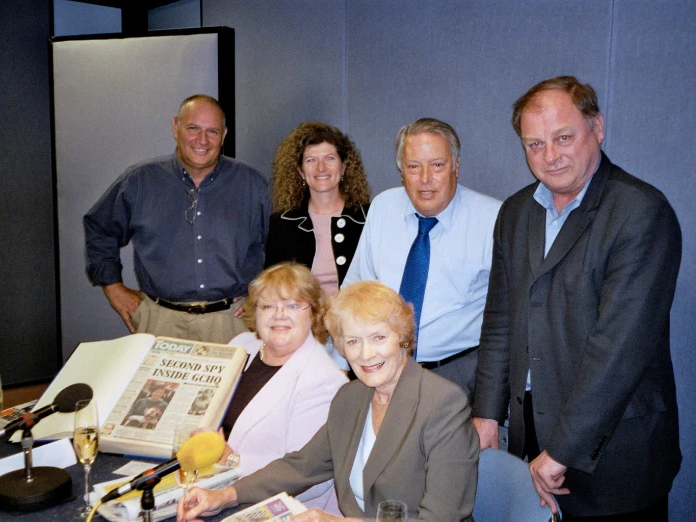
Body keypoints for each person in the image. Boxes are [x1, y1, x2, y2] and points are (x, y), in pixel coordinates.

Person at [472, 76, 682, 521]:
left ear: (598, 128)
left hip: (613, 462)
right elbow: (500, 320)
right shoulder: (515, 212)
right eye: (534, 144)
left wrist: (561, 450)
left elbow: (618, 352)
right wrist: (487, 414)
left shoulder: (640, 212)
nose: (550, 155)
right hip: (529, 442)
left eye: (563, 137)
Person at [177, 280, 479, 522]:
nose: (365, 355)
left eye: (378, 338)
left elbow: (442, 517)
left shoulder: (443, 403)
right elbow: (302, 466)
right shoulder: (351, 396)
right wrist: (226, 495)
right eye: (352, 342)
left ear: (402, 337)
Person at [84, 94, 270, 344]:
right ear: (176, 127)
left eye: (212, 131)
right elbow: (99, 229)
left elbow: (277, 245)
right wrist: (112, 287)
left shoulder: (252, 184)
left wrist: (263, 292)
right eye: (193, 128)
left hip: (232, 323)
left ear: (224, 135)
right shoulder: (140, 181)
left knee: (237, 385)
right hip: (160, 321)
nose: (202, 140)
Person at [343, 118, 501, 402]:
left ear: (456, 166)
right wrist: (341, 366)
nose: (425, 178)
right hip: (379, 370)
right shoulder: (383, 207)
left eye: (437, 165)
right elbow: (354, 290)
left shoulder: (493, 220)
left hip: (456, 376)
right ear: (401, 170)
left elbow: (509, 320)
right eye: (414, 167)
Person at [220, 263, 348, 513]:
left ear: (313, 314)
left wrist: (228, 461)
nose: (279, 314)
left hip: (277, 508)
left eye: (292, 305)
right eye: (267, 306)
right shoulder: (239, 346)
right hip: (212, 487)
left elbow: (310, 480)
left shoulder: (325, 380)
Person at [265, 122, 370, 297]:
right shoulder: (282, 223)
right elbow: (273, 285)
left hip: (354, 318)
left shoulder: (368, 218)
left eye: (329, 158)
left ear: (343, 167)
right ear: (300, 171)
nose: (321, 168)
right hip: (302, 320)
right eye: (311, 160)